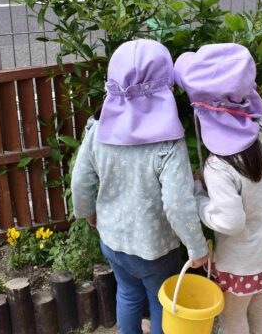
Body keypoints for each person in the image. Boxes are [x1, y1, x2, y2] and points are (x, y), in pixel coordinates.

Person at [71, 39, 209, 334]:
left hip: (113, 239)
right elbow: (178, 203)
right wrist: (197, 247)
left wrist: (88, 214)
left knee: (127, 294)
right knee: (161, 303)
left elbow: (80, 180)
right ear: (166, 90)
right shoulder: (168, 143)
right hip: (156, 247)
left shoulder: (98, 130)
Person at [174, 43, 262, 334]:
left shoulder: (219, 166)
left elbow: (230, 221)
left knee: (232, 316)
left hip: (241, 260)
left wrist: (199, 199)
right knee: (261, 303)